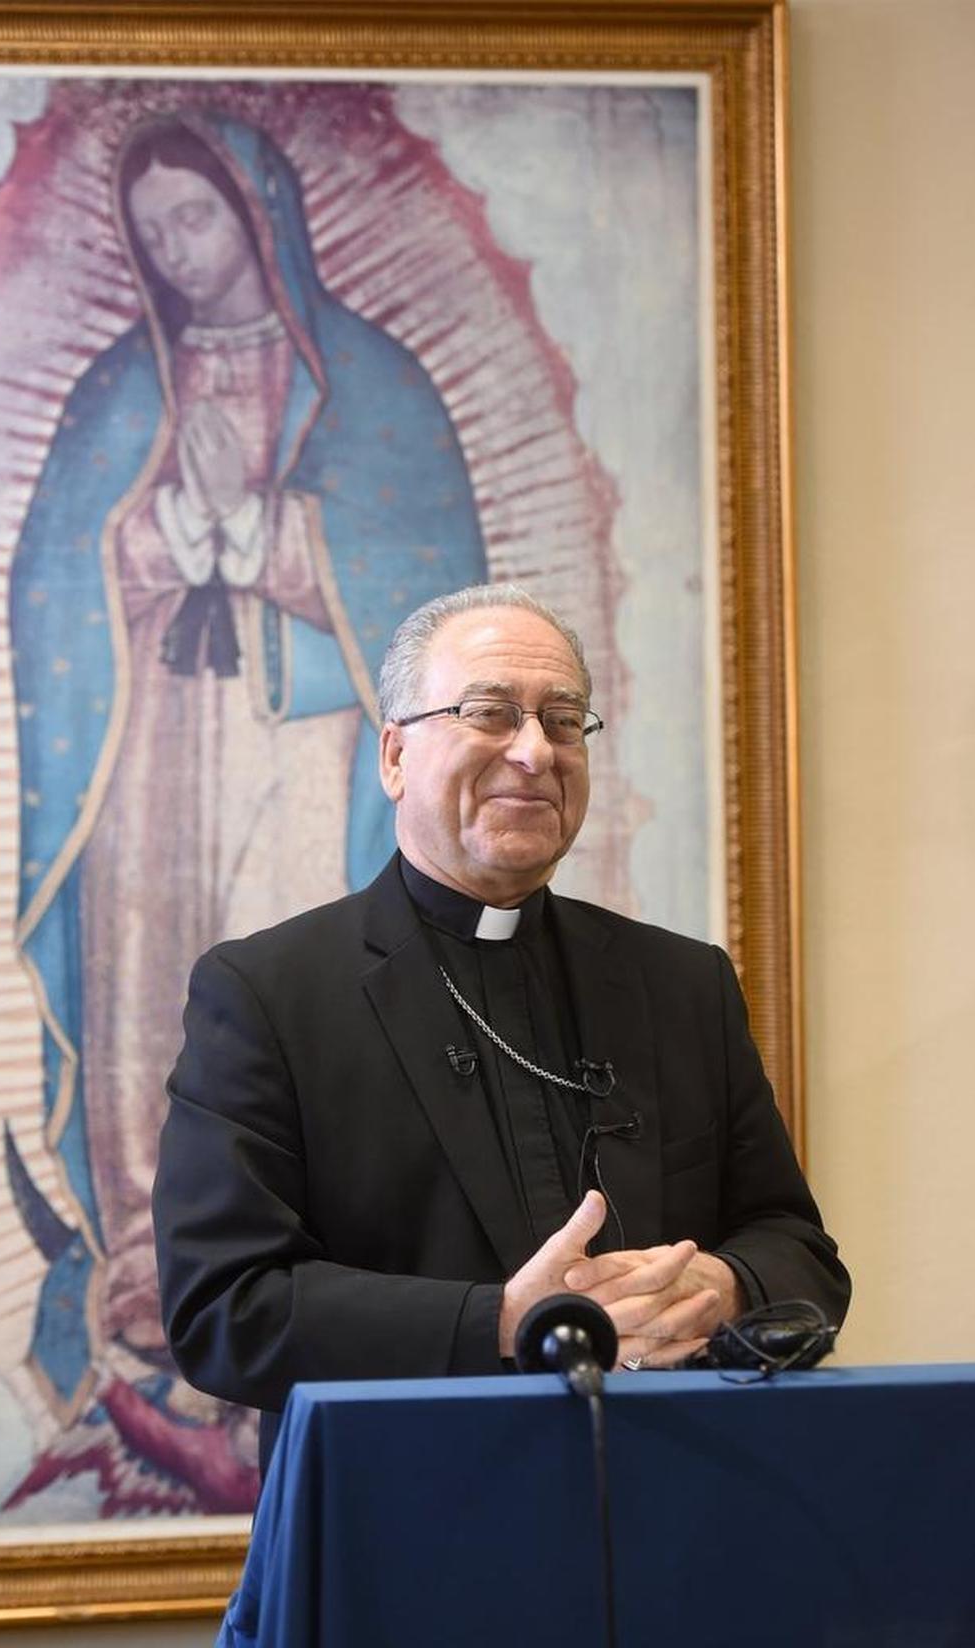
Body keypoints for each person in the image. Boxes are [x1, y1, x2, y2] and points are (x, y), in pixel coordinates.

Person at [7, 111, 484, 1425]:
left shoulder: (370, 385)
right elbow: (52, 573)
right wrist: (151, 539)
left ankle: (307, 1291)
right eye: (153, 231)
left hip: (306, 745)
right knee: (151, 994)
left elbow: (440, 603)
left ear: (256, 211)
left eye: (196, 218)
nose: (178, 250)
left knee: (292, 1004)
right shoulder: (123, 388)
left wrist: (277, 539)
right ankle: (151, 1287)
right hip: (152, 745)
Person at [154, 584, 850, 1474]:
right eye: (490, 713)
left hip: (682, 1508)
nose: (534, 751)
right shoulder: (267, 993)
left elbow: (797, 1249)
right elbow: (224, 1310)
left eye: (564, 721)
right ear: (396, 755)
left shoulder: (683, 983)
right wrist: (505, 1322)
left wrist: (724, 1286)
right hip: (407, 1528)